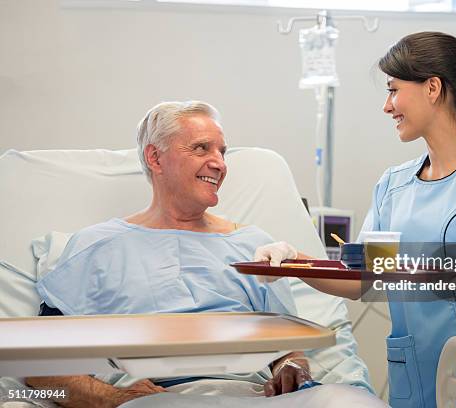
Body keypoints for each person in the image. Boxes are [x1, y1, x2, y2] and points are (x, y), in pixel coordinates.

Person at [255, 32, 456, 408]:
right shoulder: (393, 185)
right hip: (416, 374)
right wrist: (294, 262)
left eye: (394, 90)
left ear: (433, 88)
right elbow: (364, 280)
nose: (387, 106)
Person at [27, 101, 386, 408]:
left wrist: (292, 370)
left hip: (253, 395)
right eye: (201, 149)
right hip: (157, 397)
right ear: (155, 157)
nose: (219, 163)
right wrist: (113, 398)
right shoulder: (97, 247)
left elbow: (285, 349)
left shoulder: (255, 247)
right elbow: (37, 366)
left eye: (222, 152)